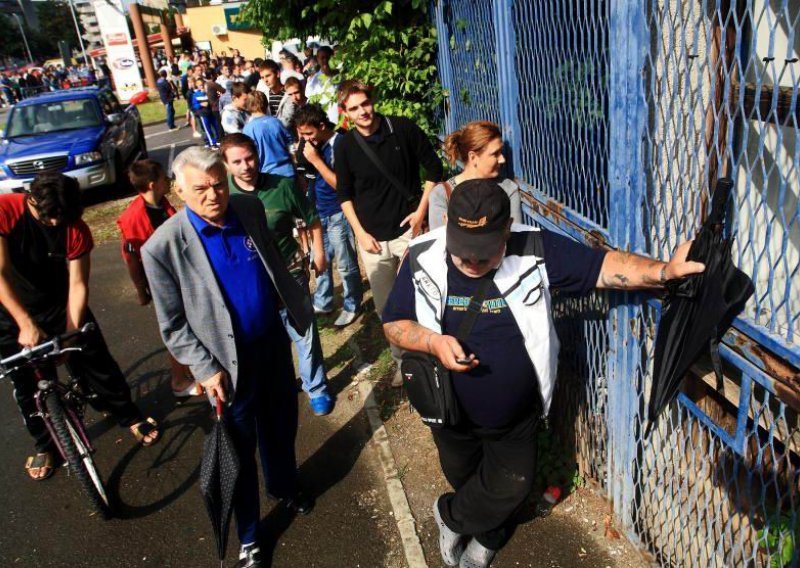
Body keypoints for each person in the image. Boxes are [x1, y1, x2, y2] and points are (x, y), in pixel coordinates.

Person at [382, 180, 705, 568]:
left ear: (506, 231)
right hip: (448, 410)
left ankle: (450, 516)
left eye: (482, 255)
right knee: (466, 479)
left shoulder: (535, 248)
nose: (469, 262)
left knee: (513, 485)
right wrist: (433, 342)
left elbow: (606, 267)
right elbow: (393, 323)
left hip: (516, 416)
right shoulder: (422, 255)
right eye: (462, 251)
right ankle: (487, 532)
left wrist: (664, 270)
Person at [142, 147, 314, 567]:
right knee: (237, 451)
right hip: (225, 368)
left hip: (271, 346)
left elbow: (271, 263)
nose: (213, 194)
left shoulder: (248, 208)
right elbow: (173, 325)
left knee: (281, 425)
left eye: (219, 183)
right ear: (179, 191)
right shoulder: (161, 247)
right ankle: (250, 536)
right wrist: (203, 368)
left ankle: (283, 486)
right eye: (200, 189)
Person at [0, 174, 161, 481]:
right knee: (25, 383)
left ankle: (128, 415)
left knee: (95, 357)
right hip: (9, 310)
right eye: (48, 218)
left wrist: (71, 331)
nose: (54, 225)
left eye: (61, 219)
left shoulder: (75, 227)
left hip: (57, 301)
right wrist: (24, 323)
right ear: (31, 199)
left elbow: (77, 284)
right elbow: (1, 274)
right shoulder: (6, 210)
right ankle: (44, 444)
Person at [334, 79, 444, 385]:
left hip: (409, 231)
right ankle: (403, 363)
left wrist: (421, 212)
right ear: (345, 112)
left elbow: (435, 171)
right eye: (354, 108)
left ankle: (431, 357)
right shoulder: (345, 145)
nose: (363, 112)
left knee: (424, 297)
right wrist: (359, 233)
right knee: (388, 307)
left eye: (365, 104)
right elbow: (344, 194)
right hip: (371, 239)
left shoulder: (402, 129)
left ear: (373, 100)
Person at [220, 134, 334, 416]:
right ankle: (280, 385)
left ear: (257, 155)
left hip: (290, 272)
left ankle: (316, 388)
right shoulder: (224, 197)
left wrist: (319, 252)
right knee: (269, 339)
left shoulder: (282, 186)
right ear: (226, 165)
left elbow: (312, 218)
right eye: (237, 161)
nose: (245, 166)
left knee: (304, 332)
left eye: (249, 158)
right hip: (254, 281)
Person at [116, 159, 202, 400]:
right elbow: (131, 258)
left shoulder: (161, 204)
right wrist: (141, 290)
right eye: (165, 178)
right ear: (153, 184)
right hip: (162, 281)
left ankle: (189, 370)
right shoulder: (134, 218)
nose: (169, 182)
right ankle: (179, 379)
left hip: (179, 274)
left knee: (191, 322)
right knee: (177, 326)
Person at [294, 104, 362, 328]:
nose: (305, 139)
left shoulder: (339, 144)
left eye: (309, 133)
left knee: (345, 263)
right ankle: (324, 300)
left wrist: (315, 160)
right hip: (318, 213)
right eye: (301, 134)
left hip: (337, 213)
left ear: (322, 126)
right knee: (320, 260)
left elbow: (340, 185)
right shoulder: (317, 144)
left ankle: (352, 304)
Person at [428, 120, 522, 230]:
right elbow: (441, 243)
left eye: (501, 152)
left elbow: (515, 239)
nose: (502, 159)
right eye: (495, 154)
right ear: (473, 157)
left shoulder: (508, 189)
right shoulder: (442, 195)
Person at [242, 91, 295, 178]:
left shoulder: (248, 129)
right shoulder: (277, 122)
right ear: (267, 105)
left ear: (248, 106)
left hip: (268, 176)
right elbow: (291, 147)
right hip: (288, 171)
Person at [256, 60, 295, 128]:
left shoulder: (289, 94)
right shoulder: (263, 96)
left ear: (277, 74)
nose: (265, 80)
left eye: (268, 76)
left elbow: (287, 121)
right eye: (262, 77)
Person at [305, 46, 339, 124]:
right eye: (322, 58)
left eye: (328, 57)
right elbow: (311, 106)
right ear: (318, 59)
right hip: (326, 123)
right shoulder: (312, 82)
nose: (325, 60)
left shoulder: (343, 76)